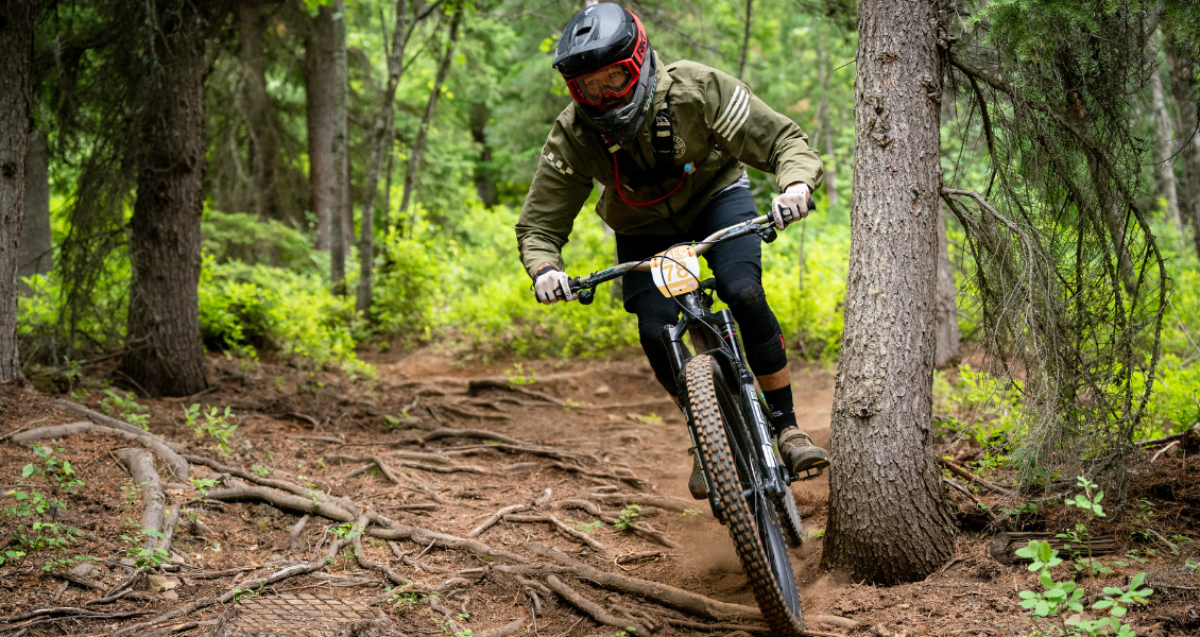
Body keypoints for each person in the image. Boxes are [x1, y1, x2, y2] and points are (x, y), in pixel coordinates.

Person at [515, 3, 829, 498]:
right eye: (587, 86)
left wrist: (794, 185)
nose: (601, 95)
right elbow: (540, 222)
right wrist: (544, 268)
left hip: (717, 199)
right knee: (656, 330)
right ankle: (708, 437)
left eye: (612, 78)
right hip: (642, 228)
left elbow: (782, 140)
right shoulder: (575, 133)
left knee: (742, 291)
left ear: (637, 62)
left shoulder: (696, 89)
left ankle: (788, 427)